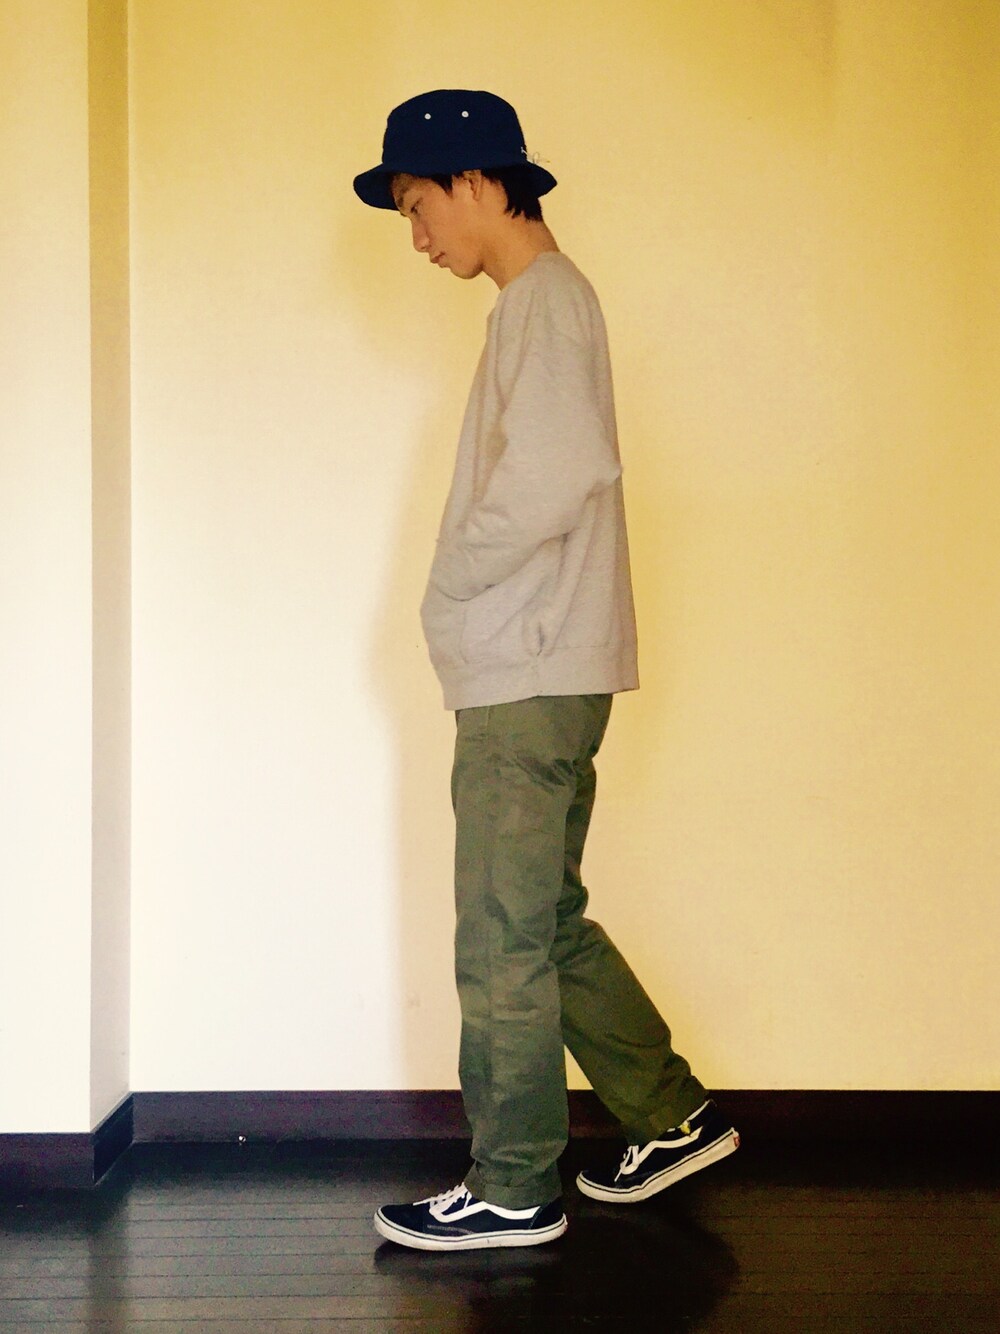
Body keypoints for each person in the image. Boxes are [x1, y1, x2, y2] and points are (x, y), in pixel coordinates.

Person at [353, 89, 738, 1252]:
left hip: (522, 677)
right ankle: (669, 1115)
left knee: (501, 934)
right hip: (550, 670)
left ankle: (514, 1182)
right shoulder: (548, 304)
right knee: (547, 917)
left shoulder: (542, 302)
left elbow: (559, 469)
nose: (417, 236)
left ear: (476, 179)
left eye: (416, 204)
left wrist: (450, 581)